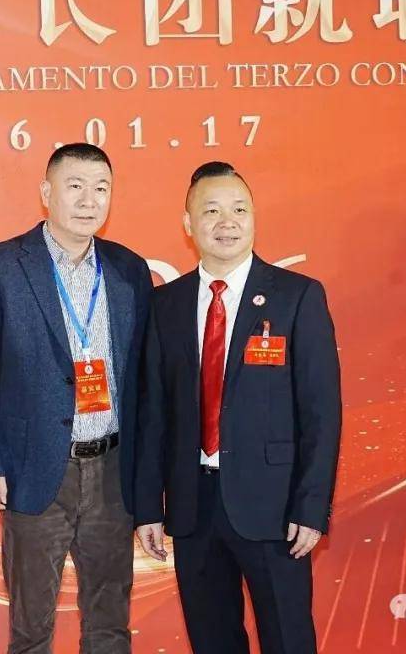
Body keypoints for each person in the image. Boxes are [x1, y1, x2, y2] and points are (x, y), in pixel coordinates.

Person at [134, 161, 342, 654]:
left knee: (288, 640)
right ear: (188, 224)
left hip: (275, 508)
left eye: (239, 210)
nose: (226, 222)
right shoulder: (165, 305)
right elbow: (154, 414)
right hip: (192, 508)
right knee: (212, 642)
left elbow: (321, 412)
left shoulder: (297, 297)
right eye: (211, 211)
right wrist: (147, 507)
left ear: (253, 218)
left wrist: (311, 506)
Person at [0, 143, 153, 654]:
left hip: (113, 472)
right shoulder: (1, 267)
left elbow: (146, 380)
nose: (89, 200)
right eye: (75, 186)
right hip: (33, 468)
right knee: (31, 629)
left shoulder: (129, 269)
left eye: (101, 188)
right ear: (47, 193)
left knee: (109, 625)